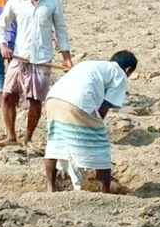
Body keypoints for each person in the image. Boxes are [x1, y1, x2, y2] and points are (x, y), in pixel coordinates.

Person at [0, 0, 73, 147]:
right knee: (7, 96)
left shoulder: (53, 3)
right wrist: (3, 45)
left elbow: (61, 30)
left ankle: (28, 138)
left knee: (36, 100)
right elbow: (0, 26)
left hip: (42, 58)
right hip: (20, 56)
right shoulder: (16, 2)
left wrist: (66, 57)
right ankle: (11, 136)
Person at [43, 50, 138, 193]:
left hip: (54, 98)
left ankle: (51, 188)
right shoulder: (119, 74)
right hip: (78, 101)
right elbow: (105, 107)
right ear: (128, 70)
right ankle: (105, 192)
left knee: (55, 143)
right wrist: (95, 129)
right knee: (101, 148)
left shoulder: (92, 64)